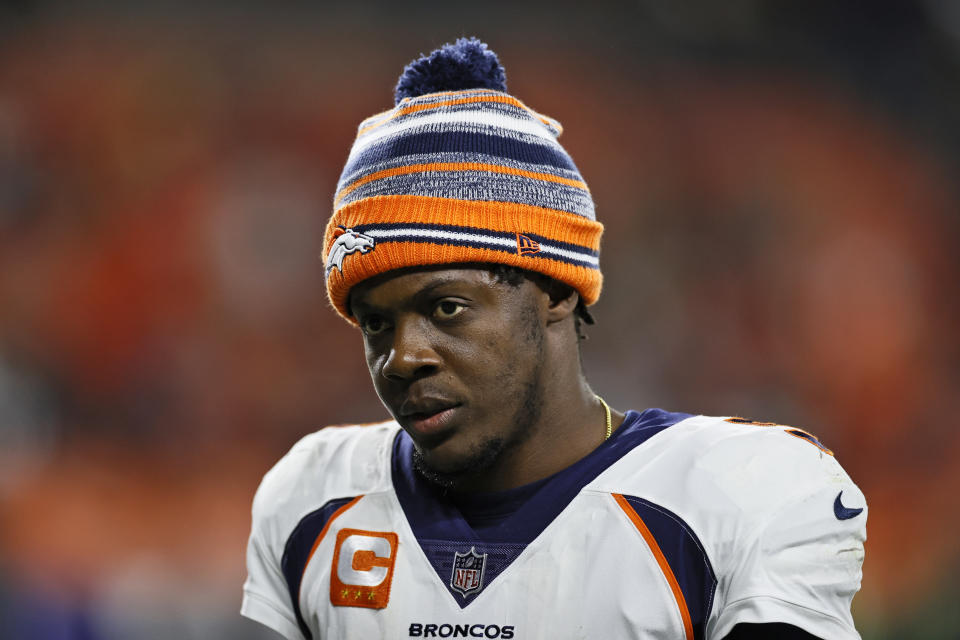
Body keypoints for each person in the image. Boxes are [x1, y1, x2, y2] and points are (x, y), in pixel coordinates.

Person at [241, 38, 866, 640]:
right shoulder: (311, 497)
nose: (404, 357)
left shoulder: (735, 494)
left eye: (447, 307)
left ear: (557, 292)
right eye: (376, 322)